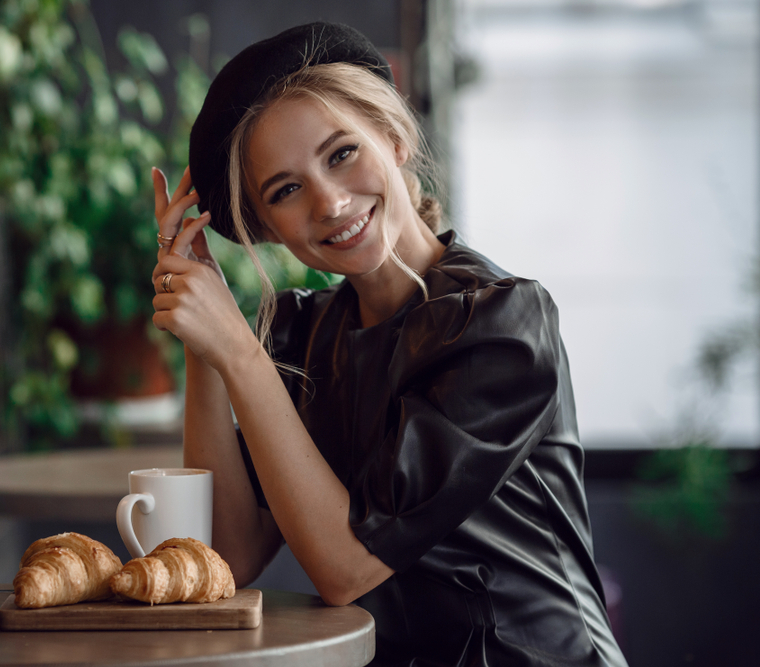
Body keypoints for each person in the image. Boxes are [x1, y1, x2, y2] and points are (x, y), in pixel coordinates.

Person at [149, 22, 627, 667]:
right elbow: (228, 556)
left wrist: (238, 351)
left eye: (342, 152)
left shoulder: (501, 324)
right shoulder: (303, 335)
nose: (331, 200)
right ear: (267, 229)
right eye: (286, 190)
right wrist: (203, 334)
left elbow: (346, 570)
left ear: (395, 137)